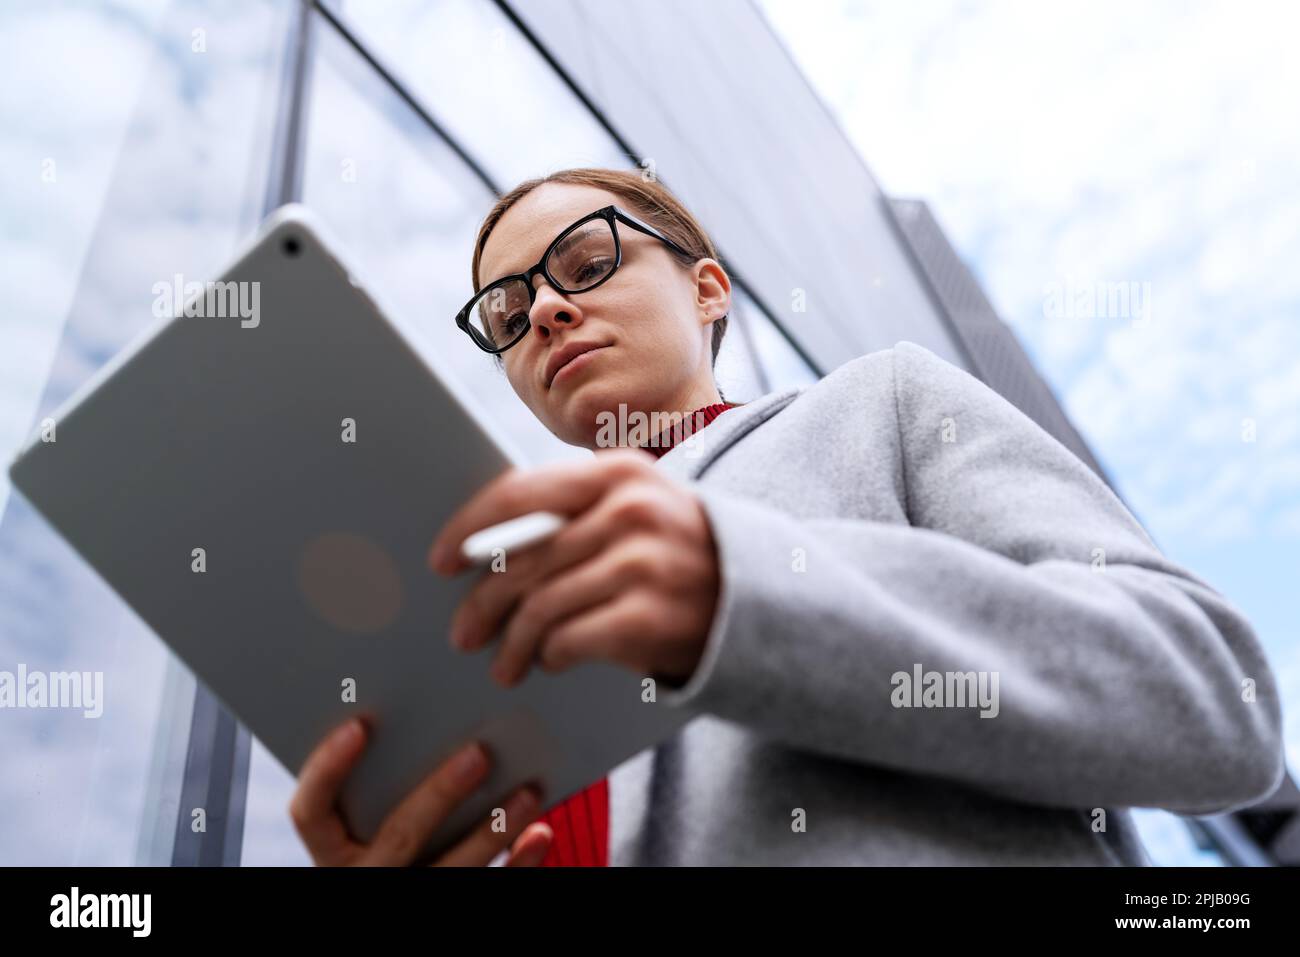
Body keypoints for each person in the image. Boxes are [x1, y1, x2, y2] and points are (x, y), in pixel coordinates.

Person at [290, 168, 1285, 866]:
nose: (543, 309)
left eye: (585, 263)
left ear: (708, 290)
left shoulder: (881, 406)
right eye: (506, 316)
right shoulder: (506, 608)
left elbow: (1219, 704)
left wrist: (743, 595)